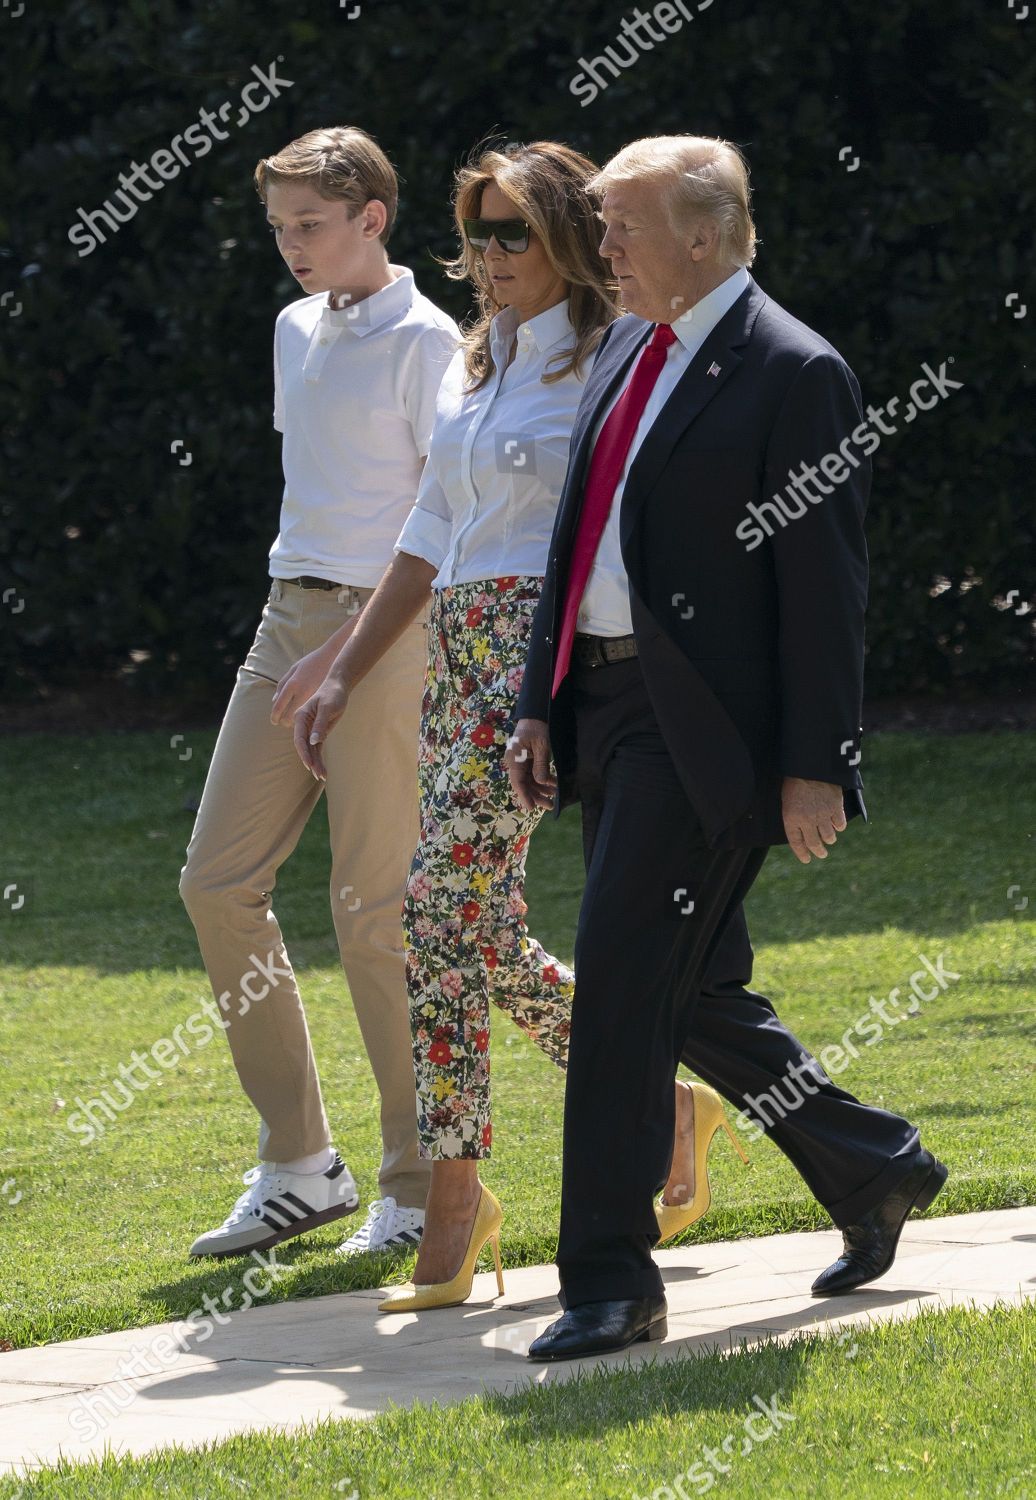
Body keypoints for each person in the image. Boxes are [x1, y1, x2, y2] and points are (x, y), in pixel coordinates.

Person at [504, 133, 947, 1361]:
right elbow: (576, 544)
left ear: (702, 234)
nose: (601, 249)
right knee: (688, 991)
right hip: (604, 714)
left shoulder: (796, 372)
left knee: (618, 997)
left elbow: (826, 588)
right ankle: (873, 1168)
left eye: (619, 227)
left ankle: (607, 1281)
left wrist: (820, 764)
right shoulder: (628, 351)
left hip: (706, 738)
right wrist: (541, 701)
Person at [294, 141, 720, 1313]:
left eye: (510, 232)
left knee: (433, 910)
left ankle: (454, 1190)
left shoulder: (611, 357)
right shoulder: (474, 366)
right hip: (454, 657)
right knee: (458, 920)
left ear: (571, 239)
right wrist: (342, 671)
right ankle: (656, 1099)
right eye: (474, 231)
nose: (485, 257)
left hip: (545, 659)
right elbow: (429, 531)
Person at [179, 126, 460, 1260]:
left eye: (310, 224)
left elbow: (445, 516)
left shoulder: (429, 338)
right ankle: (301, 1165)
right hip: (285, 614)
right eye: (278, 227)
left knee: (373, 910)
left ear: (371, 217)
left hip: (389, 626)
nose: (291, 248)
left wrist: (349, 652)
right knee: (215, 882)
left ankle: (415, 1182)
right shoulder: (295, 328)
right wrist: (306, 642)